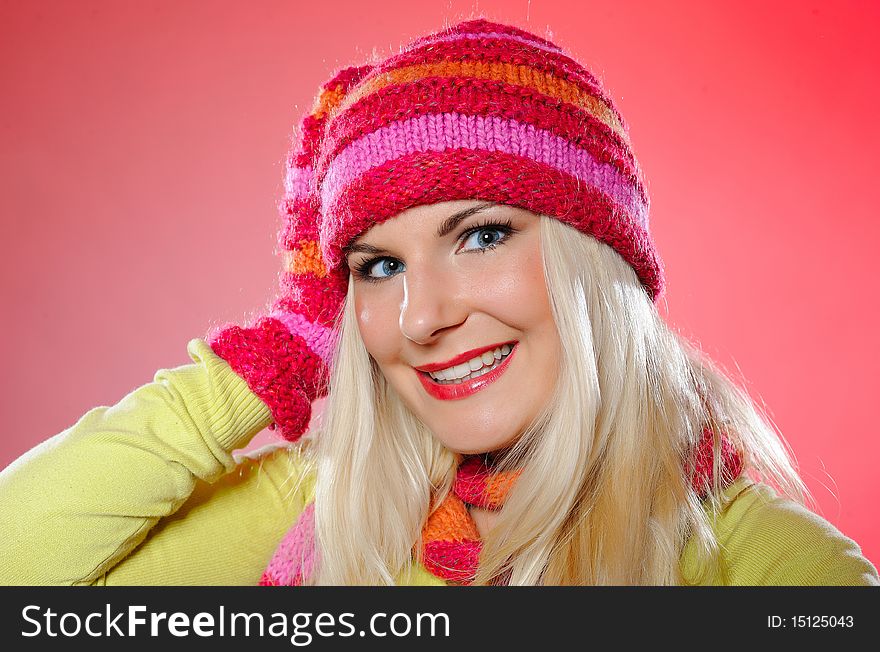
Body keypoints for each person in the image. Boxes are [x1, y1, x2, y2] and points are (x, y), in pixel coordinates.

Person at [0, 18, 876, 586]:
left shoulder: (761, 567)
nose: (420, 320)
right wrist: (274, 355)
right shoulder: (324, 513)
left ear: (595, 263)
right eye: (377, 267)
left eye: (483, 235)